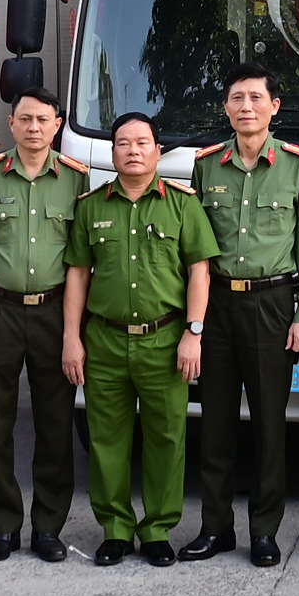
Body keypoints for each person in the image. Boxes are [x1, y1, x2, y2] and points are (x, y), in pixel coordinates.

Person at [178, 65, 299, 569]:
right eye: (236, 98)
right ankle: (214, 528)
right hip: (216, 304)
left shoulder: (298, 166)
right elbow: (195, 249)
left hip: (271, 303)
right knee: (215, 424)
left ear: (274, 107)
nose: (246, 107)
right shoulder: (206, 166)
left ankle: (264, 531)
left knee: (268, 424)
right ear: (225, 107)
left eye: (256, 98)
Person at [63, 111, 217, 565]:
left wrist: (194, 333)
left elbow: (199, 273)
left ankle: (156, 530)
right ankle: (114, 529)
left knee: (166, 437)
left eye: (142, 142)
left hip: (165, 340)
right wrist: (72, 338)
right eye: (124, 143)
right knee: (107, 439)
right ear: (112, 153)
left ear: (158, 151)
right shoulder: (91, 206)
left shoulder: (183, 204)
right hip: (105, 340)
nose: (133, 150)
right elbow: (76, 276)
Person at [0, 88, 87, 563]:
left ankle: (48, 528)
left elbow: (80, 262)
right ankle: (3, 527)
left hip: (54, 313)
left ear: (57, 125)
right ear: (11, 124)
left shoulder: (77, 179)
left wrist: (74, 332)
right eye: (25, 119)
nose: (34, 128)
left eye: (43, 120)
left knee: (54, 425)